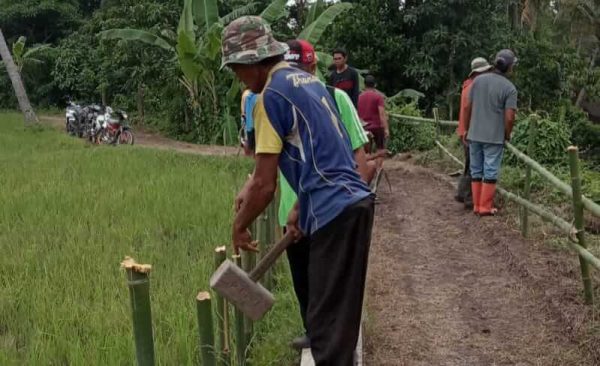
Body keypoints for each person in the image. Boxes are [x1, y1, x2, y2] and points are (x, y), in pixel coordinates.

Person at [222, 16, 375, 365]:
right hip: (352, 204)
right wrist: (300, 209)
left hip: (335, 211)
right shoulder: (308, 82)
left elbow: (263, 183)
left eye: (235, 69)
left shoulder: (269, 98)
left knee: (326, 330)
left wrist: (240, 226)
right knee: (336, 325)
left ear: (251, 62)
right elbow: (325, 156)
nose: (237, 78)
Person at [279, 39, 373, 350]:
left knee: (328, 285)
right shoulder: (276, 100)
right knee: (303, 280)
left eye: (299, 68)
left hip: (328, 208)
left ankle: (331, 342)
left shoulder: (335, 97)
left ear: (312, 67)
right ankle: (312, 332)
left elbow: (359, 155)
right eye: (287, 68)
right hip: (290, 213)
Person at [464, 49, 518, 216]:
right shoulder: (510, 88)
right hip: (494, 137)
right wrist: (507, 134)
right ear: (509, 67)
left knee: (476, 169)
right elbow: (509, 118)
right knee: (490, 170)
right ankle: (485, 207)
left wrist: (467, 129)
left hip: (474, 134)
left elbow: (467, 107)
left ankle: (476, 205)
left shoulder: (478, 81)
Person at [454, 57, 492, 209]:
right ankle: (469, 198)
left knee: (469, 165)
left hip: (466, 130)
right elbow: (469, 110)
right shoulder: (473, 88)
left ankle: (462, 193)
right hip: (471, 132)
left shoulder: (467, 85)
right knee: (473, 167)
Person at [358, 75, 389, 169]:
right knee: (381, 149)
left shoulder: (359, 97)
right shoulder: (378, 97)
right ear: (374, 85)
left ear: (364, 85)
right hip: (377, 127)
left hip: (364, 127)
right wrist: (386, 128)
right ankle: (378, 170)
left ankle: (367, 170)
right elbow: (382, 114)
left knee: (366, 152)